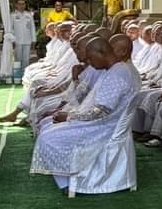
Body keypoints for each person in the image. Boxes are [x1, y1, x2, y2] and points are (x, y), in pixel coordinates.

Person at [30, 37, 140, 190]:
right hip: (102, 122)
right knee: (48, 128)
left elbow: (100, 112)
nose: (88, 61)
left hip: (104, 127)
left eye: (90, 57)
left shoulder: (117, 74)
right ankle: (69, 177)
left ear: (101, 53)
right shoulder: (115, 70)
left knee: (48, 138)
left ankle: (70, 180)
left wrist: (69, 116)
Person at [9, 0, 36, 85]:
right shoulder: (13, 15)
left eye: (23, 4)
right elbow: (10, 28)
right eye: (19, 4)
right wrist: (12, 40)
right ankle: (17, 77)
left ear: (25, 5)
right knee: (18, 59)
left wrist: (33, 40)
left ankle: (25, 77)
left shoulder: (29, 15)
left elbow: (32, 28)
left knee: (26, 60)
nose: (21, 5)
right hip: (17, 41)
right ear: (16, 5)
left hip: (27, 40)